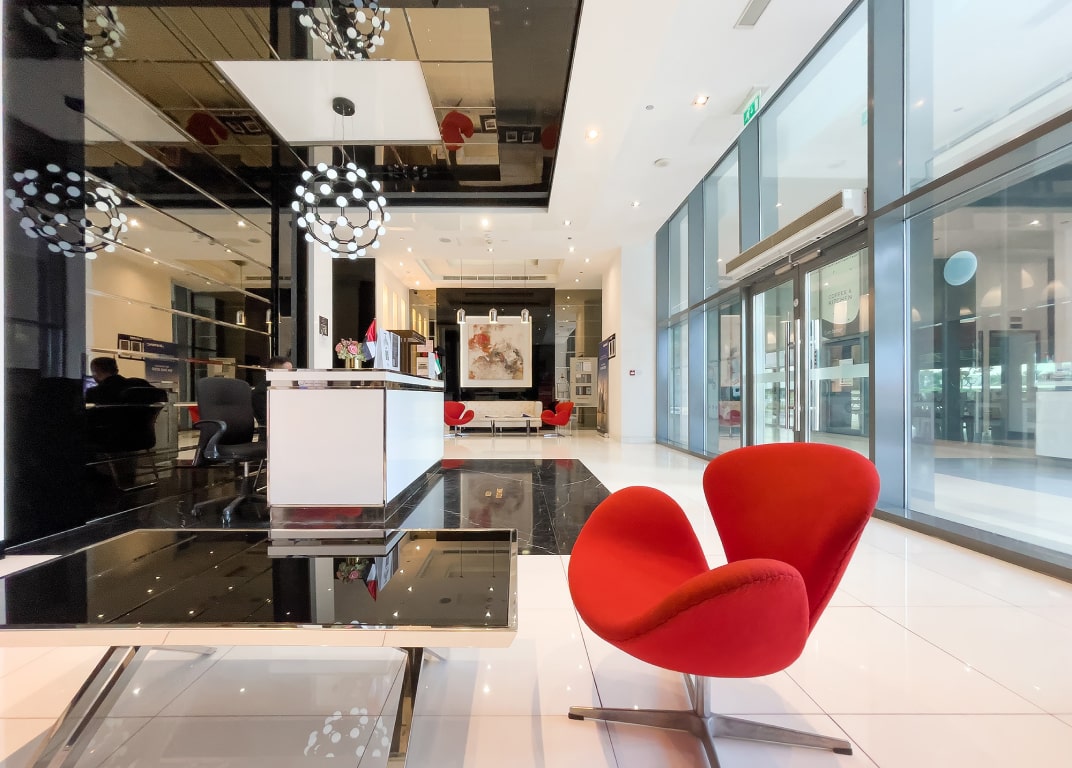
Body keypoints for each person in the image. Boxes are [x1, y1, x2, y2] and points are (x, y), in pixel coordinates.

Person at [252, 356, 293, 434]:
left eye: (291, 372)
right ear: (273, 372)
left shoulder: (286, 388)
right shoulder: (262, 392)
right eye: (286, 373)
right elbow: (268, 420)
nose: (290, 376)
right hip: (271, 434)